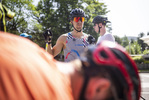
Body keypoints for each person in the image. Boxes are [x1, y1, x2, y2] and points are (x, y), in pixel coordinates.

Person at [0, 31, 141, 100]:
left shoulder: (26, 47)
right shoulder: (64, 37)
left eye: (81, 19)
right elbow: (53, 53)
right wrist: (49, 42)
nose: (79, 22)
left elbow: (49, 57)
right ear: (99, 87)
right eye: (76, 19)